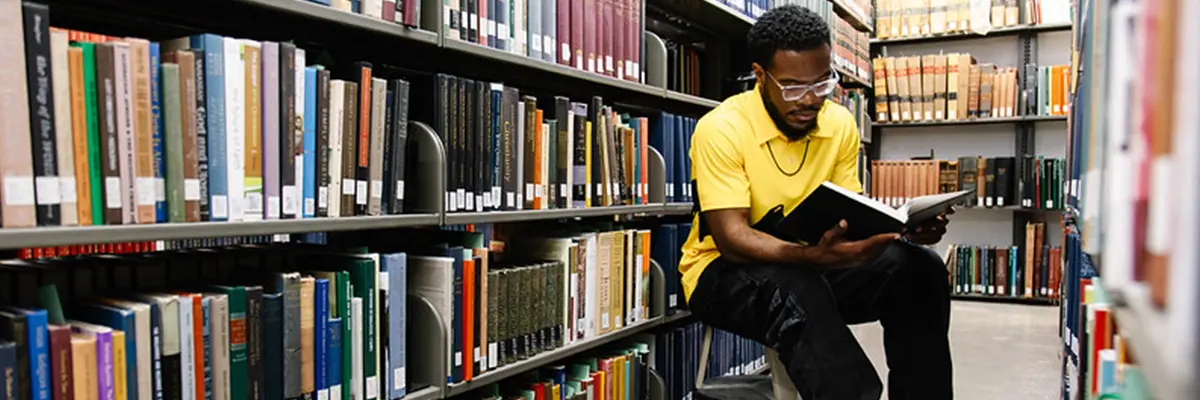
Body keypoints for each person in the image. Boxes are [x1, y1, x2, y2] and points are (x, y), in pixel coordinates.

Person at [681, 5, 954, 400]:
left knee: (919, 271)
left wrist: (899, 232)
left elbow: (849, 215)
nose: (810, 100)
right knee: (795, 289)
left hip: (812, 261)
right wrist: (811, 258)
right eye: (793, 87)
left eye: (822, 83)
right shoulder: (721, 129)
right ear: (760, 76)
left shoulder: (839, 123)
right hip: (720, 272)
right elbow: (731, 238)